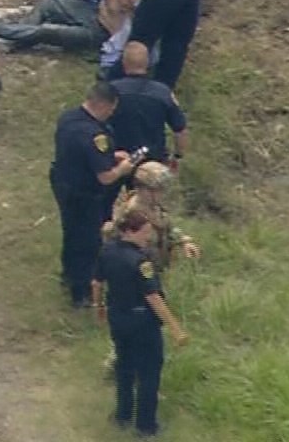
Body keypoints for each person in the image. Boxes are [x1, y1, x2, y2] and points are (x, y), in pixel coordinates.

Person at [94, 208, 190, 437]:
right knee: (149, 372)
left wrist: (99, 308)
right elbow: (153, 297)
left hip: (118, 317)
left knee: (124, 367)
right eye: (145, 233)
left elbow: (97, 283)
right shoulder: (141, 263)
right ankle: (146, 426)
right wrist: (176, 328)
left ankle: (122, 415)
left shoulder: (107, 251)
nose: (148, 238)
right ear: (129, 232)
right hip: (142, 322)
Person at [52, 80, 138, 308]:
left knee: (70, 233)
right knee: (87, 241)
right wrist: (123, 168)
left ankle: (68, 275)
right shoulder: (95, 136)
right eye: (111, 109)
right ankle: (81, 293)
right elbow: (105, 177)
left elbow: (81, 155)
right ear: (102, 105)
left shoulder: (69, 118)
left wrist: (112, 154)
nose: (112, 113)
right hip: (83, 194)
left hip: (63, 183)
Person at [109, 43, 188, 166]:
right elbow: (180, 130)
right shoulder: (163, 92)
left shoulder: (110, 91)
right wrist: (177, 156)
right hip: (152, 162)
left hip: (117, 159)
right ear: (147, 63)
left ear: (123, 62)